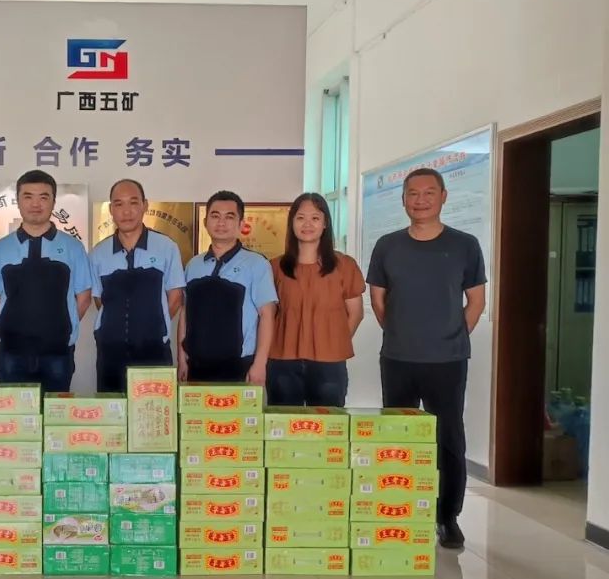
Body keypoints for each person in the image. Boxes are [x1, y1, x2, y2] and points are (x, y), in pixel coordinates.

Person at [366, 167, 486, 549]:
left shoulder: (465, 244)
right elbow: (379, 300)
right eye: (413, 194)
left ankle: (447, 516)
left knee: (448, 438)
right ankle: (398, 508)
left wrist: (451, 336)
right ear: (403, 199)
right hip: (398, 358)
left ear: (443, 197)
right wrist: (402, 333)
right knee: (398, 436)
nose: (420, 200)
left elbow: (476, 301)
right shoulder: (387, 245)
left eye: (428, 193)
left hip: (448, 361)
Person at [0, 170, 92, 392]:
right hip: (11, 351)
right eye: (28, 196)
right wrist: (16, 322)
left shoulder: (73, 248)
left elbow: (84, 297)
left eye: (43, 197)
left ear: (53, 202)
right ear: (18, 201)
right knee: (14, 411)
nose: (35, 204)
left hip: (58, 351)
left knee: (55, 411)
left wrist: (57, 326)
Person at [267, 193, 366, 406]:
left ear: (325, 223)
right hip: (283, 361)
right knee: (284, 423)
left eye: (315, 218)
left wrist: (333, 341)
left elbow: (356, 313)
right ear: (292, 222)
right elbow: (267, 316)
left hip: (329, 364)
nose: (307, 224)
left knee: (328, 424)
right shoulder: (275, 267)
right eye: (300, 218)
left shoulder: (345, 265)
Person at [90, 179, 185, 392]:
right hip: (110, 350)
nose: (126, 211)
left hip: (154, 348)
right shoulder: (99, 253)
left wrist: (148, 324)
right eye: (119, 204)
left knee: (154, 407)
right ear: (111, 209)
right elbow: (99, 300)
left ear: (145, 205)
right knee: (113, 408)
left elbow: (175, 297)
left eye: (133, 202)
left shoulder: (166, 247)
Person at [178, 190, 277, 383]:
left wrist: (260, 364)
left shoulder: (257, 264)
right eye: (215, 216)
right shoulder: (193, 265)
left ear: (241, 224)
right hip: (196, 365)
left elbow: (267, 315)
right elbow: (185, 313)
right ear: (205, 222)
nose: (221, 223)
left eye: (229, 217)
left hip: (239, 365)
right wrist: (182, 359)